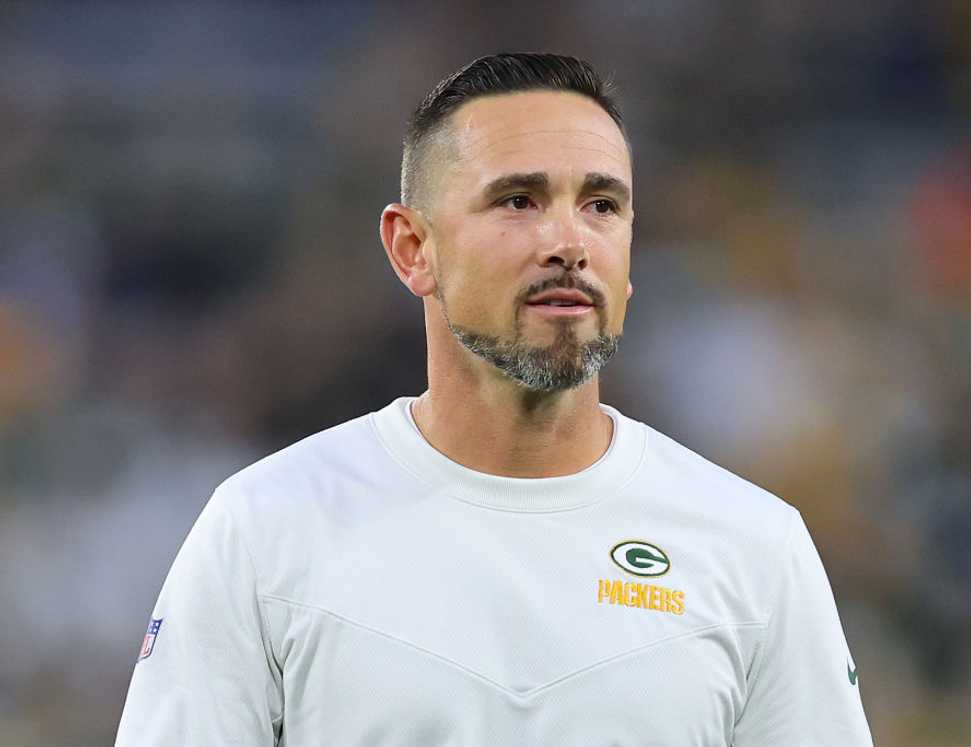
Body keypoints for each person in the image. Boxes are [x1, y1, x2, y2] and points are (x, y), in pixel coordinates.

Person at [116, 52, 874, 745]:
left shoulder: (753, 548)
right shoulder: (265, 531)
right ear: (414, 249)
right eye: (518, 200)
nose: (569, 240)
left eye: (602, 205)